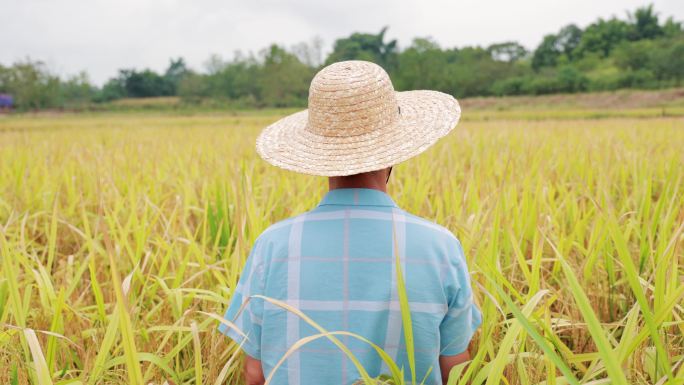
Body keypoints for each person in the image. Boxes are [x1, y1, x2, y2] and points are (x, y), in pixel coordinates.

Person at [219, 60, 482, 385]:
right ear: (394, 153)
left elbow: (255, 375)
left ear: (319, 154)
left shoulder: (272, 246)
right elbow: (457, 371)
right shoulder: (440, 246)